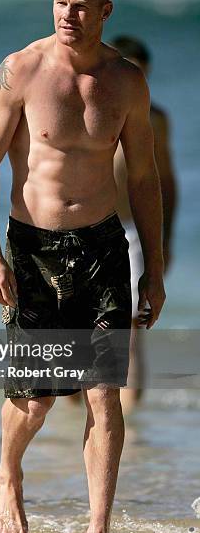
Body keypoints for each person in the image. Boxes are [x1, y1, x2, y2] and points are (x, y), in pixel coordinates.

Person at [0, 0, 166, 533]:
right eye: (59, 3)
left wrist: (153, 268)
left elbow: (146, 179)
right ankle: (9, 474)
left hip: (103, 246)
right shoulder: (21, 71)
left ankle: (98, 532)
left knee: (105, 390)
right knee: (36, 399)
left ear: (106, 11)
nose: (66, 15)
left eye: (80, 6)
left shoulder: (126, 82)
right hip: (32, 251)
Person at [111, 36, 178, 414]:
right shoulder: (91, 107)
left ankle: (132, 431)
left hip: (135, 230)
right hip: (92, 227)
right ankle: (72, 423)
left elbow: (165, 181)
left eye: (145, 77)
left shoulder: (156, 119)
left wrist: (163, 242)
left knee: (134, 327)